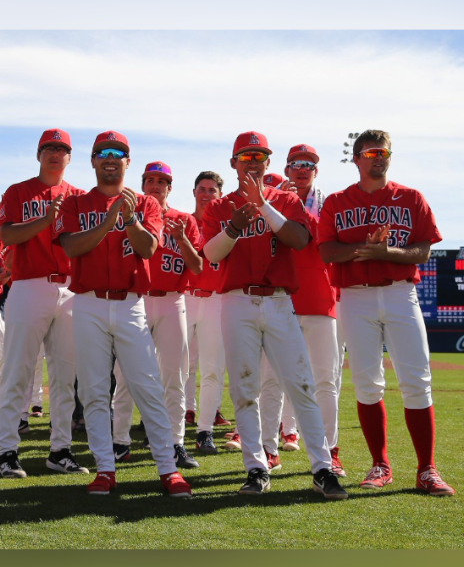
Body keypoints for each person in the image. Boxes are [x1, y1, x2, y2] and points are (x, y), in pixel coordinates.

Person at [201, 131, 346, 499]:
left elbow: (299, 240)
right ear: (234, 163)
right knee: (246, 389)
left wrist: (264, 205)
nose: (252, 162)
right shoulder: (221, 206)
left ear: (268, 161)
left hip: (280, 300)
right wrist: (235, 225)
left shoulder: (285, 199)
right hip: (237, 300)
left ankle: (323, 468)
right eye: (245, 157)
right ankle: (256, 467)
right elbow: (212, 255)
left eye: (259, 156)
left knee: (301, 385)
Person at [53, 131, 193, 497]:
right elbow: (71, 246)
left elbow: (148, 249)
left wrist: (129, 218)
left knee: (147, 386)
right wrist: (109, 218)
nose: (110, 158)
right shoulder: (76, 203)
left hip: (131, 303)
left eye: (118, 153)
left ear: (128, 162)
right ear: (93, 160)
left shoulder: (146, 203)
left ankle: (167, 468)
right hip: (88, 302)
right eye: (103, 153)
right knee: (96, 390)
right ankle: (105, 469)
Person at [318, 129, 455, 496]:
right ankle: (381, 464)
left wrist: (387, 254)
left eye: (385, 152)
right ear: (357, 158)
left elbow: (423, 250)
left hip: (399, 293)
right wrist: (367, 249)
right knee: (366, 382)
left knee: (416, 381)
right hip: (355, 296)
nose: (379, 157)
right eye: (372, 151)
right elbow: (327, 252)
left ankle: (426, 469)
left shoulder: (410, 197)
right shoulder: (337, 201)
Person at [0, 128, 85, 478]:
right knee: (18, 370)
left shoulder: (79, 195)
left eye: (61, 149)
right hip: (29, 285)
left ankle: (60, 449)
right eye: (48, 147)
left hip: (70, 289)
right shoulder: (19, 191)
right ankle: (6, 451)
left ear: (69, 157)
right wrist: (46, 219)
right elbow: (9, 234)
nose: (55, 153)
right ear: (38, 154)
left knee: (65, 377)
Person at [257, 145, 344, 474]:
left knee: (325, 381)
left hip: (320, 300)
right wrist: (281, 205)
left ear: (316, 171)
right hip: (280, 300)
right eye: (296, 164)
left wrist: (293, 210)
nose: (302, 170)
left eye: (309, 165)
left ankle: (329, 451)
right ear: (287, 168)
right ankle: (269, 448)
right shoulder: (272, 200)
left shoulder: (330, 204)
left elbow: (319, 242)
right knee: (271, 381)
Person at [110, 161, 202, 470]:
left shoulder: (184, 220)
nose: (154, 185)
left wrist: (184, 238)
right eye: (150, 179)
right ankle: (120, 441)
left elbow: (198, 266)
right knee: (124, 375)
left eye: (161, 181)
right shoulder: (129, 213)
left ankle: (175, 443)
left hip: (173, 301)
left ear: (170, 187)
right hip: (136, 299)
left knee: (174, 375)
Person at [184, 171, 233, 455]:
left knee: (213, 369)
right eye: (202, 188)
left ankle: (205, 431)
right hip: (185, 297)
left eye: (212, 190)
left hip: (215, 299)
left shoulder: (225, 223)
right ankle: (173, 427)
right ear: (194, 192)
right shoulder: (183, 220)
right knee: (179, 367)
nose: (206, 194)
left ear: (220, 194)